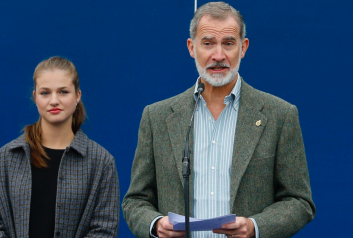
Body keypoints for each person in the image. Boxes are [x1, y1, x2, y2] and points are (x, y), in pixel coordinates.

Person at [122, 2, 315, 238]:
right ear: (192, 47)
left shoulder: (280, 115)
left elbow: (299, 201)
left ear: (243, 48)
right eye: (208, 43)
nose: (218, 55)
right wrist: (155, 224)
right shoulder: (157, 117)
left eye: (228, 43)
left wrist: (255, 226)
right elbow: (135, 200)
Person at [0, 56, 120, 238]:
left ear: (77, 96)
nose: (54, 100)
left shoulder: (101, 162)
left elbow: (104, 230)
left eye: (63, 92)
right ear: (35, 97)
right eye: (45, 93)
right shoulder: (5, 158)